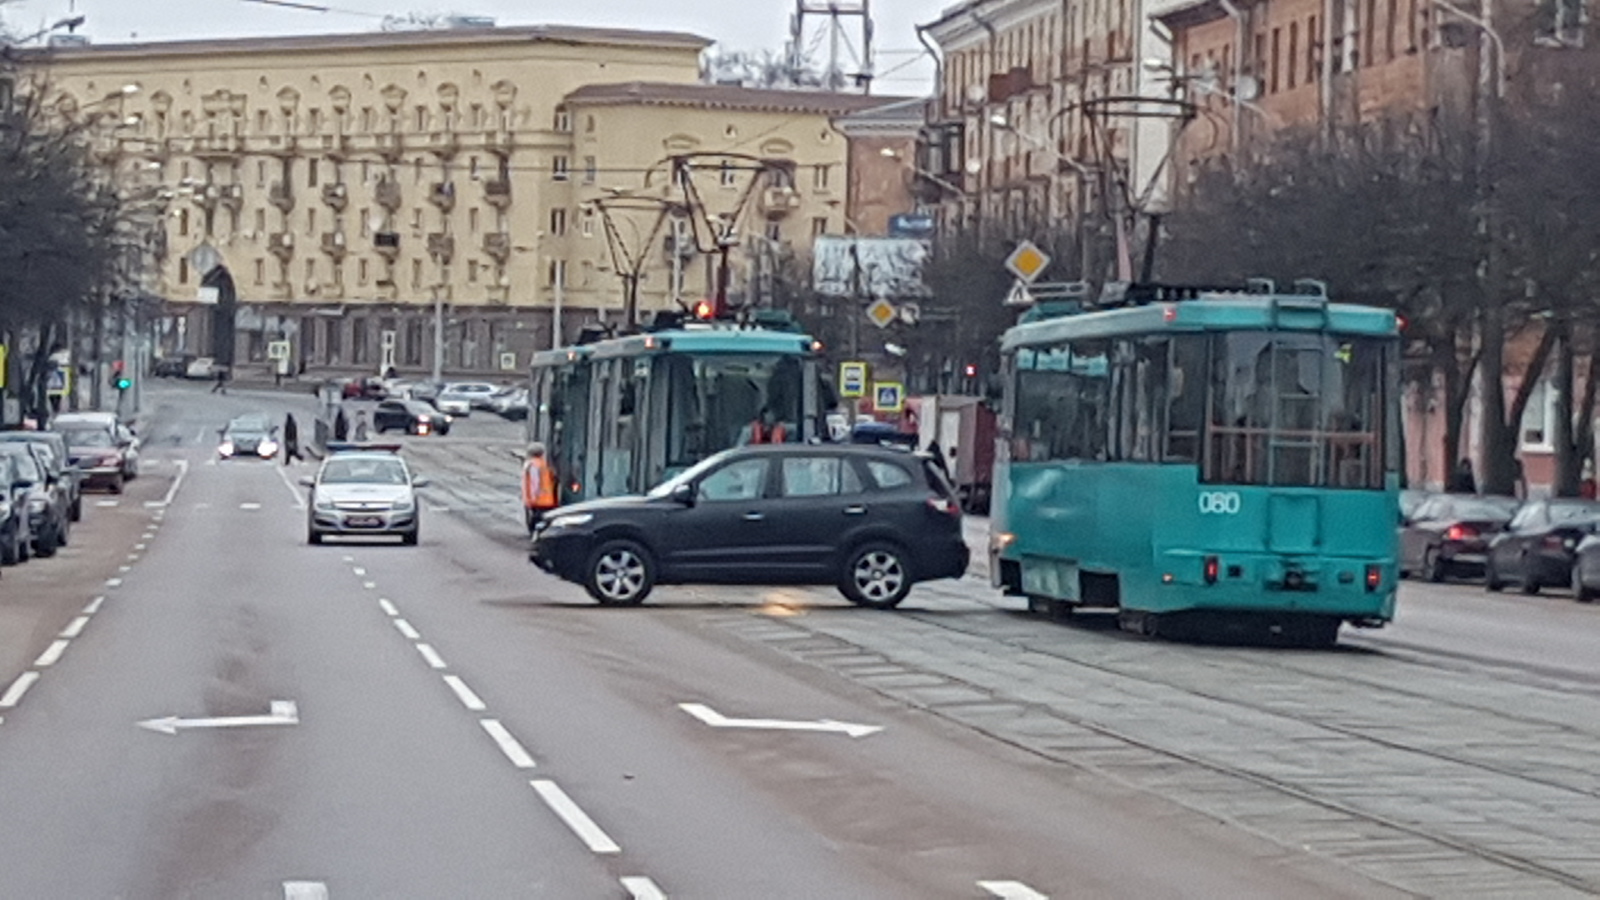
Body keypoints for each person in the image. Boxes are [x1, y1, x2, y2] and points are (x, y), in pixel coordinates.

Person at [521, 443, 559, 532]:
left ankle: (535, 535)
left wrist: (532, 498)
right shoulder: (544, 464)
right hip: (548, 499)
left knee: (535, 521)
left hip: (537, 500)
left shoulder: (532, 465)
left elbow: (535, 482)